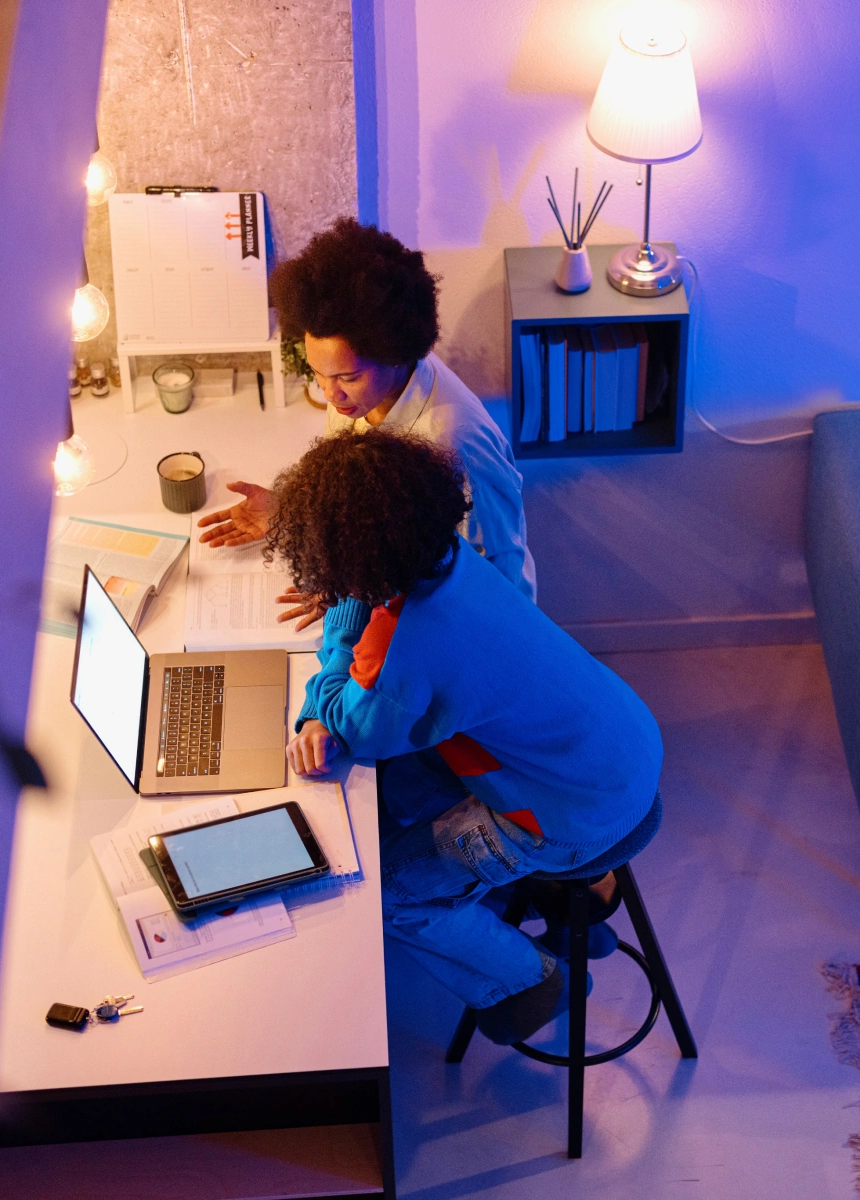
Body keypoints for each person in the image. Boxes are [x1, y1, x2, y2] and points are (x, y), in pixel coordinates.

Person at [268, 428, 662, 1045]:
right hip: (621, 750)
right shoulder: (451, 556)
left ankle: (532, 979)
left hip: (566, 818)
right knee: (397, 794)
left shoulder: (406, 645)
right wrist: (350, 608)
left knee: (385, 893)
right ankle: (558, 906)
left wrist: (329, 671)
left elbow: (357, 729)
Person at [197, 218, 536, 626]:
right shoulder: (358, 394)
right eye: (318, 373)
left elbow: (503, 572)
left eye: (348, 377)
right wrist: (296, 516)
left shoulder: (455, 442)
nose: (330, 394)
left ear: (394, 354)